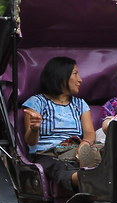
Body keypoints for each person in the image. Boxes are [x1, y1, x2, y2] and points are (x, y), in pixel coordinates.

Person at [22, 57, 100, 192]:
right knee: (58, 167)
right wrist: (34, 129)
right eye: (75, 74)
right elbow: (30, 142)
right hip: (47, 154)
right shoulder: (36, 102)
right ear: (61, 76)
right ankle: (89, 177)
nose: (80, 79)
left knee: (103, 149)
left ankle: (95, 167)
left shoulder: (80, 104)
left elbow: (89, 132)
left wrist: (85, 143)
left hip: (75, 149)